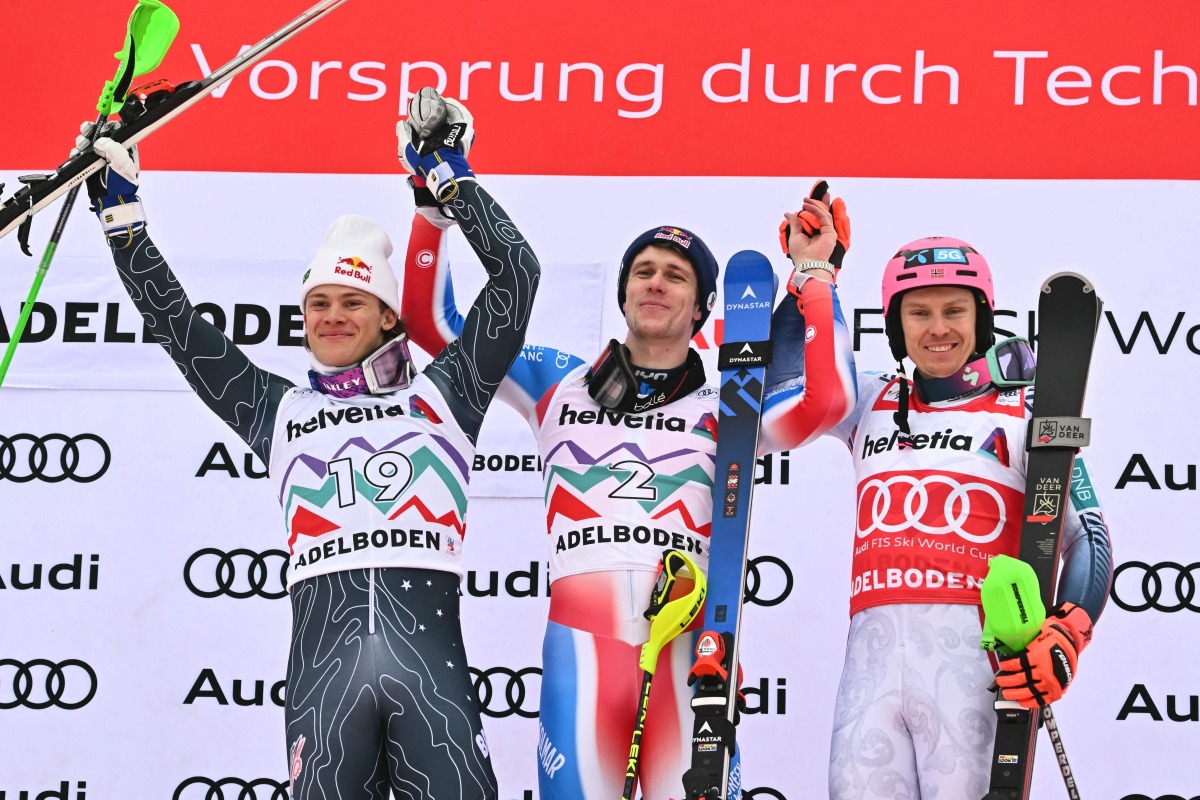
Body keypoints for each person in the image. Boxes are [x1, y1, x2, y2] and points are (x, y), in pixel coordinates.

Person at [82, 88, 537, 800]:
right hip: (325, 689)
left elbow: (518, 277)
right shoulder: (278, 408)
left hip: (431, 681)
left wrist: (451, 181)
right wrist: (123, 223)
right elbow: (179, 331)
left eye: (352, 301)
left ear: (389, 315)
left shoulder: (446, 394)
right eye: (318, 303)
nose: (331, 316)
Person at [401, 178, 858, 799]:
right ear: (623, 294)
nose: (656, 282)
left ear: (701, 309)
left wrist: (815, 276)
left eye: (676, 275)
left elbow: (829, 401)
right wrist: (434, 212)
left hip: (692, 663)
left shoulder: (731, 406)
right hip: (581, 664)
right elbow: (435, 326)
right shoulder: (557, 383)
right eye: (643, 271)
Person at [802, 226, 1115, 798]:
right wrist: (816, 273)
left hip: (975, 674)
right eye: (918, 312)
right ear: (897, 326)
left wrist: (1066, 632)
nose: (938, 328)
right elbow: (801, 385)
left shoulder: (1026, 408)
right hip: (868, 680)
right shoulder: (869, 402)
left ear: (982, 320)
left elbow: (1089, 537)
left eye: (954, 310)